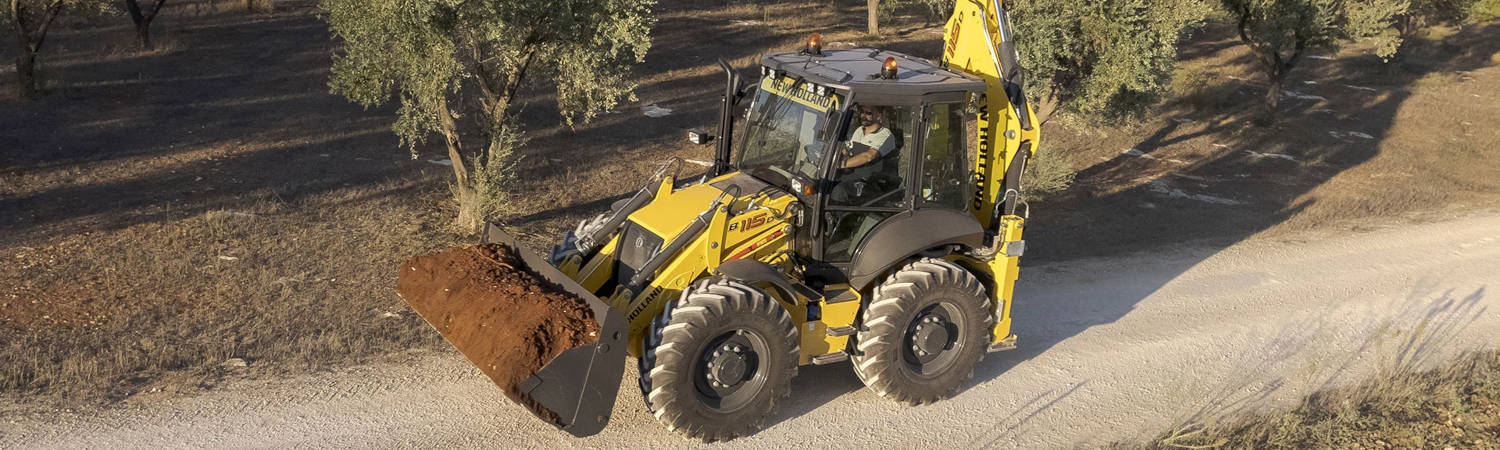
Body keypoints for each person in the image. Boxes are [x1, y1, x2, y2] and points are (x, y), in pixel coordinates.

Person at [840, 105, 896, 170]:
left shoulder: (885, 135)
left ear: (878, 116)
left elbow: (869, 156)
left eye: (868, 113)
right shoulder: (859, 130)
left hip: (870, 177)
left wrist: (841, 164)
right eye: (862, 112)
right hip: (851, 174)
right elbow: (848, 149)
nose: (863, 116)